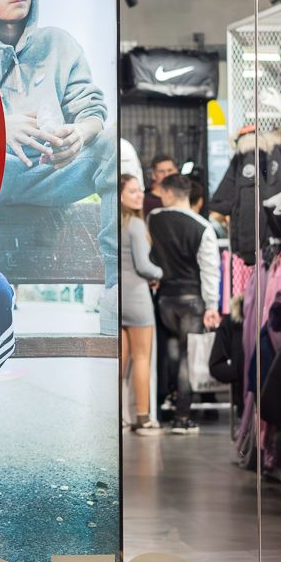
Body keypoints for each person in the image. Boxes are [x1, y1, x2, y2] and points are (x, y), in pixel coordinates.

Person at [0, 0, 118, 330]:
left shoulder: (58, 44)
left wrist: (79, 135)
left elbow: (93, 109)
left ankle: (115, 291)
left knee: (114, 145)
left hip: (46, 172)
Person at [148, 173, 222, 434]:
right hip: (192, 300)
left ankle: (162, 407)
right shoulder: (203, 228)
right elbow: (209, 270)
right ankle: (182, 417)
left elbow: (151, 256)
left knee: (169, 353)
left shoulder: (153, 219)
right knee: (186, 358)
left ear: (168, 193)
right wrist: (212, 305)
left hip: (164, 298)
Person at [120, 174, 163, 434]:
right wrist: (161, 274)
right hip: (137, 297)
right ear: (122, 195)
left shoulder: (119, 224)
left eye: (140, 191)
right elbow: (144, 266)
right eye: (133, 191)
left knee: (121, 362)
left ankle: (120, 417)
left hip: (120, 298)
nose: (139, 195)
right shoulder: (136, 226)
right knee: (143, 358)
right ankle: (143, 418)